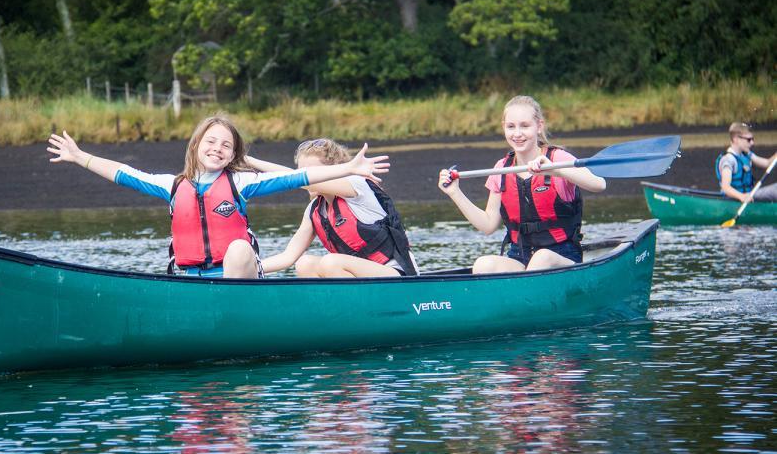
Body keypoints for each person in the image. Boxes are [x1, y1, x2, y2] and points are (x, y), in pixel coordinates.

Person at [47, 115, 389, 278]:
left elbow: (298, 177)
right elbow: (124, 173)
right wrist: (81, 157)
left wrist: (348, 169)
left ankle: (231, 320)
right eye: (211, 141)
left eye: (226, 145)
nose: (217, 148)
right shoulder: (171, 185)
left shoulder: (241, 182)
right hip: (193, 280)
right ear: (197, 145)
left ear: (232, 155)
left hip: (238, 282)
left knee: (239, 247)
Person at [437, 95, 606, 274]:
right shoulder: (501, 168)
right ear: (504, 128)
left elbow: (599, 184)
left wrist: (555, 171)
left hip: (561, 256)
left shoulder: (557, 159)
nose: (517, 133)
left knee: (542, 257)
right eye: (511, 127)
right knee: (483, 264)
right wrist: (454, 192)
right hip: (520, 256)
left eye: (525, 126)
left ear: (539, 126)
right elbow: (488, 225)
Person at [248, 138, 418, 278]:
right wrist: (238, 272)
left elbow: (295, 180)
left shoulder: (356, 186)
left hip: (397, 276)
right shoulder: (314, 210)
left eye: (310, 172)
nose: (305, 177)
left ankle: (351, 313)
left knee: (331, 262)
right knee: (304, 263)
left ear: (334, 170)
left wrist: (250, 161)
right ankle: (332, 313)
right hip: (364, 281)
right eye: (302, 172)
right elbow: (287, 258)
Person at [716, 122, 777, 203]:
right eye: (748, 140)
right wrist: (741, 196)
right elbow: (725, 187)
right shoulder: (728, 160)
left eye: (752, 139)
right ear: (736, 139)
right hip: (734, 200)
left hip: (748, 196)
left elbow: (767, 163)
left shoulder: (746, 154)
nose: (752, 143)